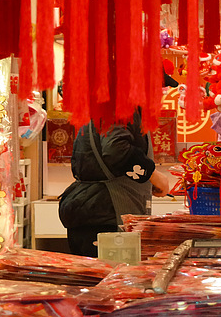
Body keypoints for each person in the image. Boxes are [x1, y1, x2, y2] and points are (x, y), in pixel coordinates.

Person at [59, 109, 173, 257]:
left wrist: (146, 181)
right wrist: (153, 175)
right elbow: (116, 150)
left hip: (96, 210)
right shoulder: (121, 105)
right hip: (106, 215)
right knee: (109, 277)